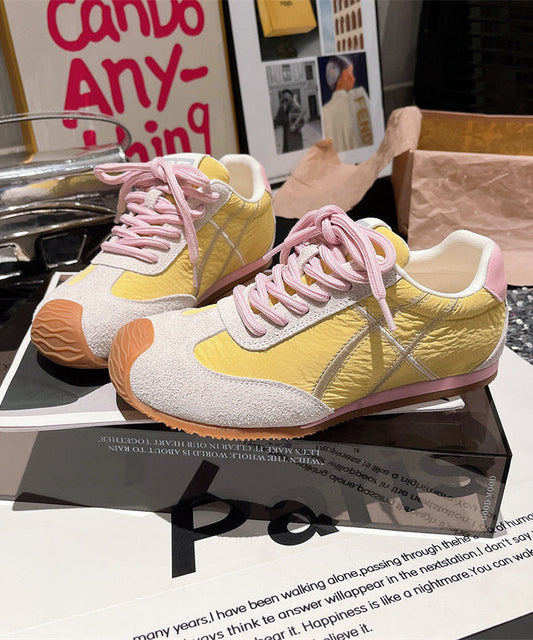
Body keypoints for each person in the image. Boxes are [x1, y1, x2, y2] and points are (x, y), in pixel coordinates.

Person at [322, 56, 373, 152]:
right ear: (345, 74)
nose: (353, 79)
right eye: (351, 72)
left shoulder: (324, 111)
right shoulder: (359, 99)